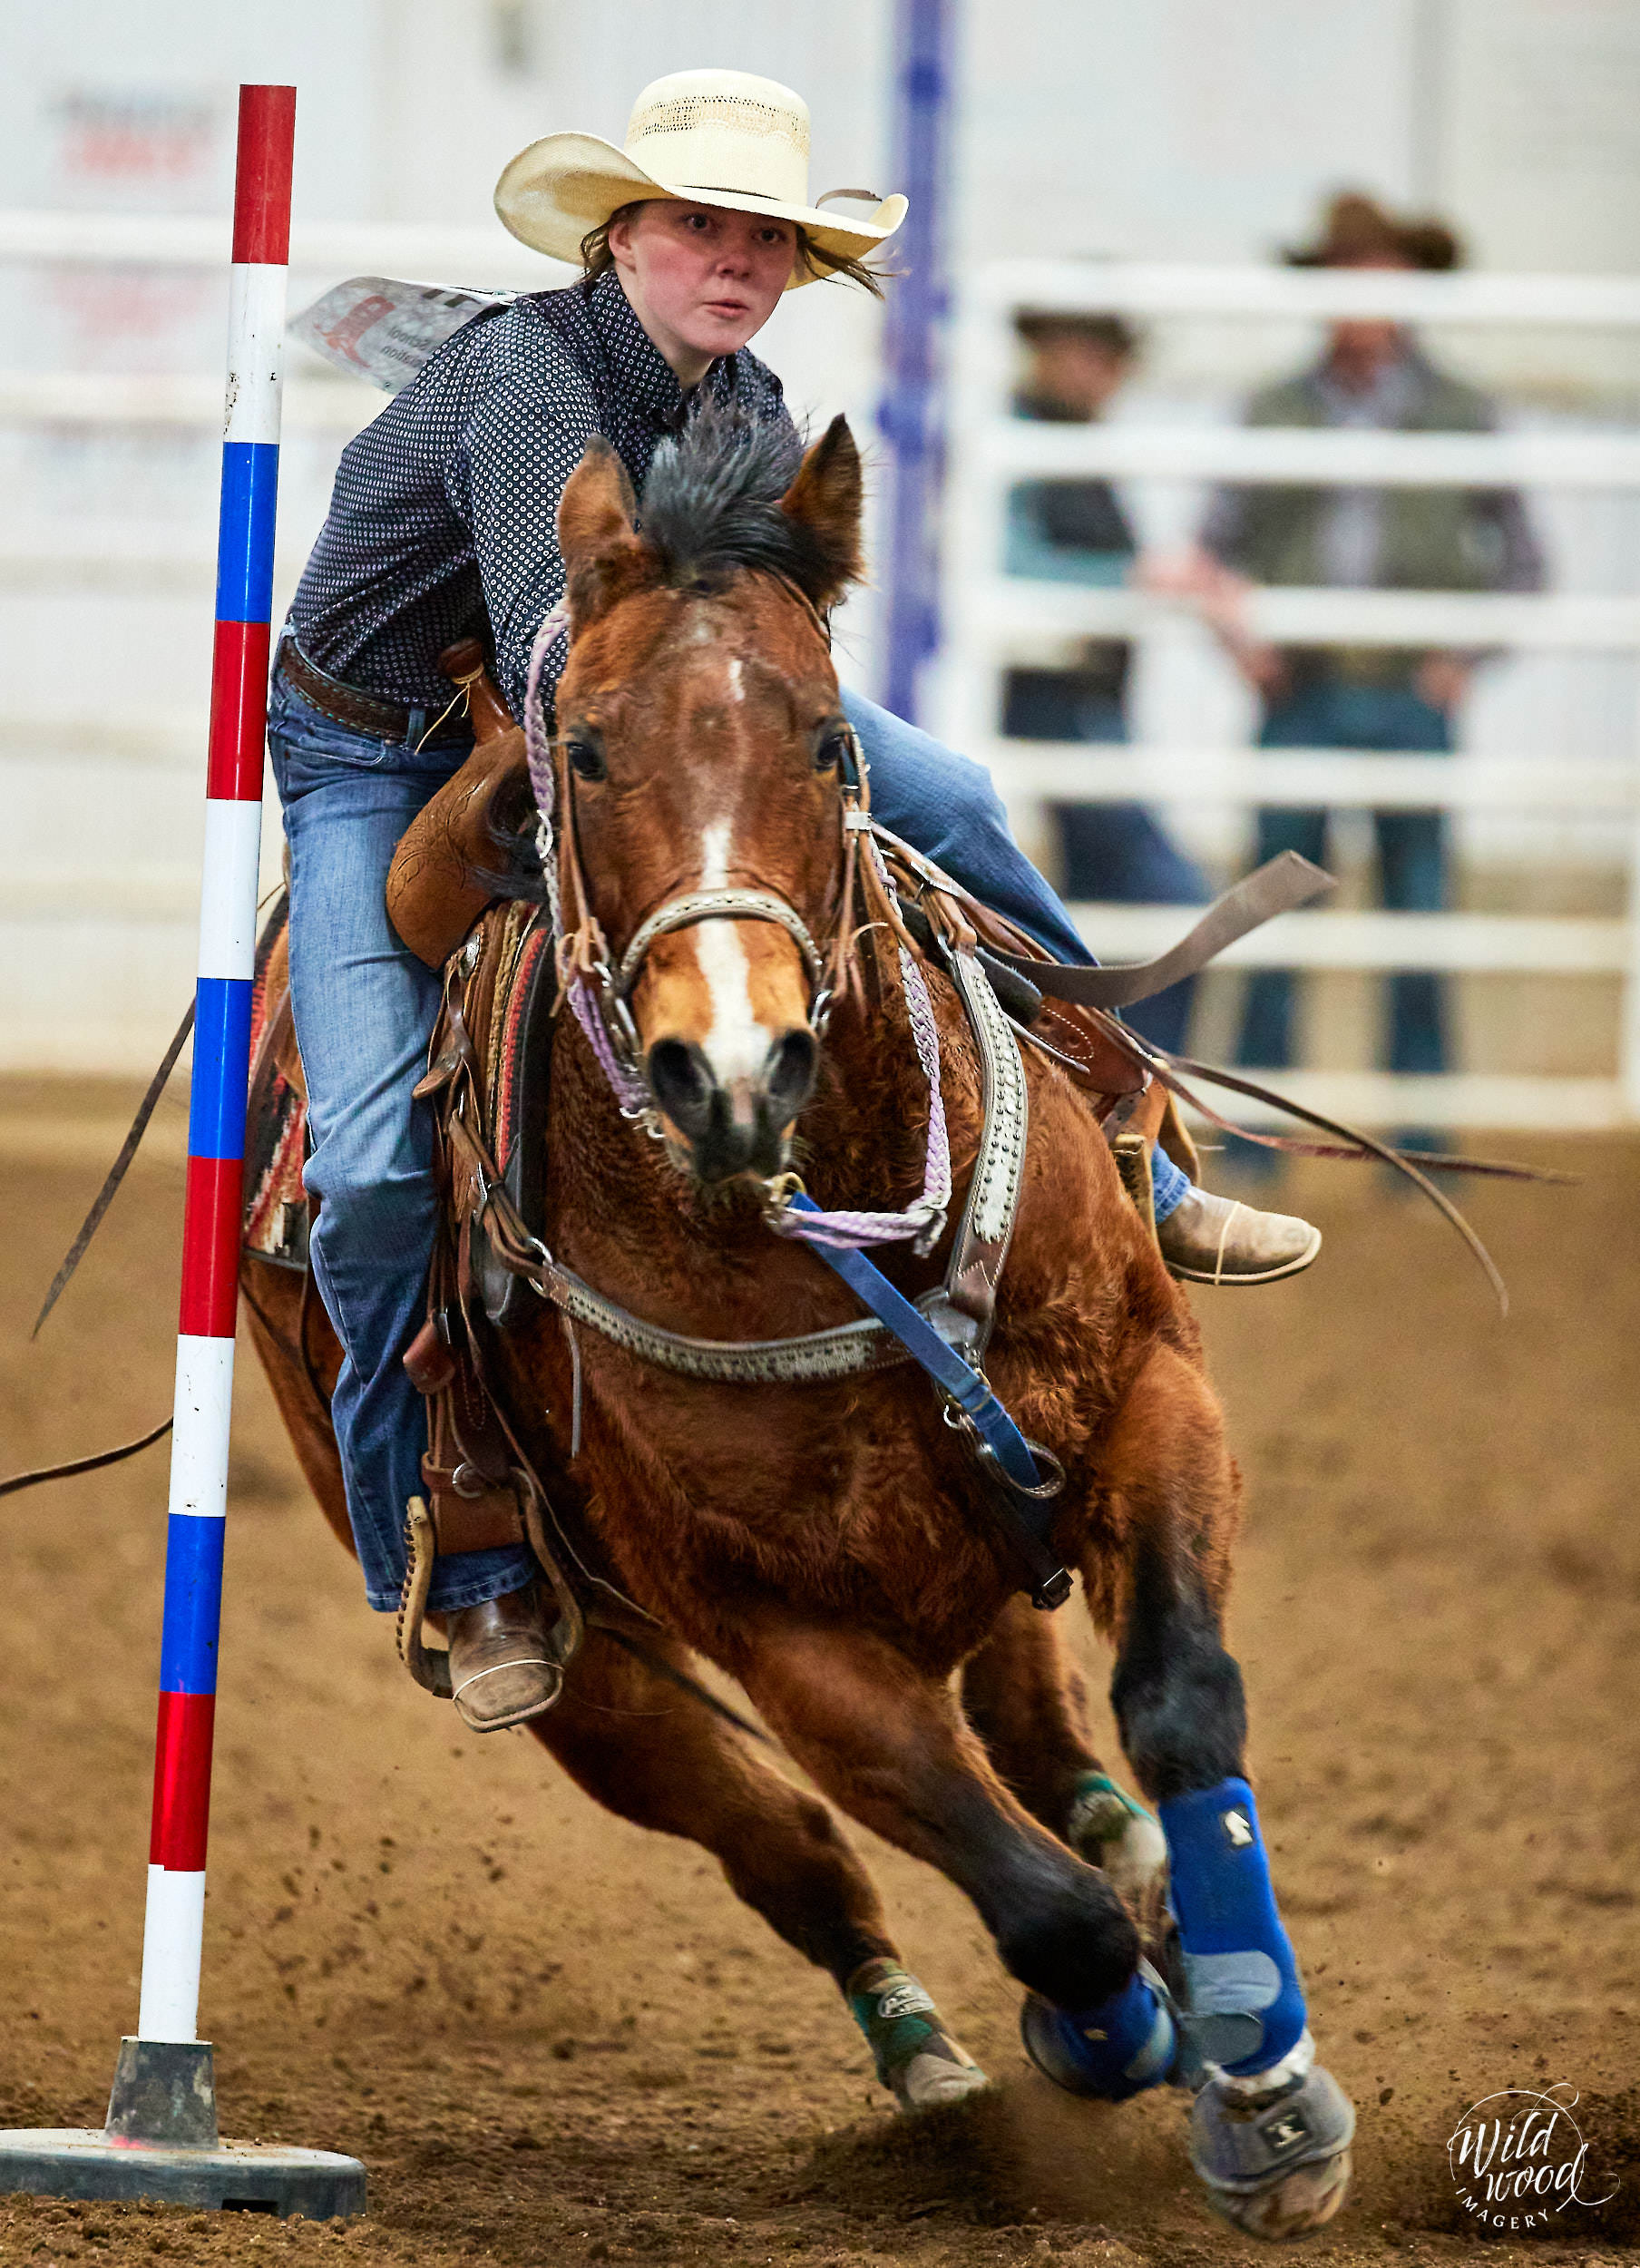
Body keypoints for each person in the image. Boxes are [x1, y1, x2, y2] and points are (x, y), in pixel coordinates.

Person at [271, 70, 1323, 1729]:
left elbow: (700, 640)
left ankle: (1140, 1133)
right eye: (703, 224)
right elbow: (567, 642)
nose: (738, 259)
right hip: (381, 755)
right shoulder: (524, 378)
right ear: (622, 236)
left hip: (658, 720)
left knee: (960, 799)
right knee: (372, 1164)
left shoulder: (746, 401)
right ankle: (456, 1542)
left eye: (766, 236)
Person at [1194, 191, 1544, 1090]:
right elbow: (1214, 543)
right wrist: (1242, 647)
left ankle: (1420, 1115)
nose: (1361, 294)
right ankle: (1260, 1114)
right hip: (1300, 689)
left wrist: (1458, 662)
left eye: (1378, 274)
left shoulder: (1462, 412)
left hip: (1405, 692)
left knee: (1417, 906)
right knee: (1271, 905)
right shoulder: (1274, 409)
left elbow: (1523, 560)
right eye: (1345, 274)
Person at [1000, 309, 1206, 1054]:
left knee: (1101, 910)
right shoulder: (1023, 439)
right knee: (1162, 898)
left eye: (1109, 356)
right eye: (1085, 350)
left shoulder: (1054, 441)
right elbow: (1011, 565)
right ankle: (1139, 1081)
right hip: (1049, 700)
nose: (1101, 371)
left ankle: (1110, 1081)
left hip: (1075, 701)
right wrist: (1130, 576)